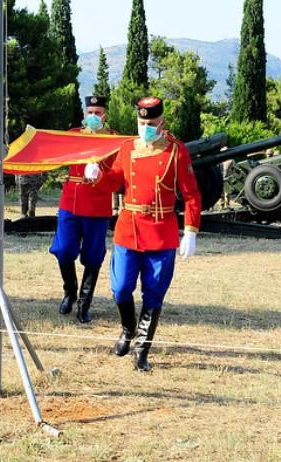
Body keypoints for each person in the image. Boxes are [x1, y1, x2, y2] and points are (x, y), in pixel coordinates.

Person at [84, 96, 201, 371]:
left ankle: (141, 350)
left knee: (154, 293)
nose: (145, 126)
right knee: (121, 287)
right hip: (129, 228)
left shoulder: (176, 151)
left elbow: (192, 194)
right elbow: (115, 180)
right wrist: (98, 175)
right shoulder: (127, 148)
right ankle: (127, 328)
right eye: (141, 122)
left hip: (161, 231)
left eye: (151, 122)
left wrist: (191, 230)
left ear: (162, 122)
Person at [49, 95, 118, 323]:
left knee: (93, 255)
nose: (93, 117)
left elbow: (118, 172)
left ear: (104, 116)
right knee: (64, 249)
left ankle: (84, 302)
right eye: (90, 113)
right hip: (71, 201)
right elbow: (52, 151)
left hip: (98, 204)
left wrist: (100, 173)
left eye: (98, 113)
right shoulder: (73, 135)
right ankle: (69, 291)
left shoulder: (114, 140)